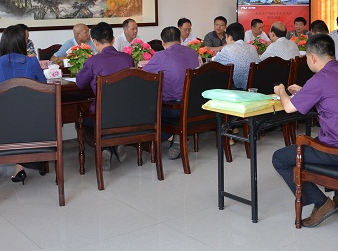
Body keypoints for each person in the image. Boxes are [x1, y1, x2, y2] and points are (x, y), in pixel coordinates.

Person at [272, 34, 338, 228]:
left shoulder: (320, 79)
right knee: (320, 138)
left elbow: (289, 107)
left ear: (312, 57)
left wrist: (281, 91)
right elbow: (334, 97)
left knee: (280, 158)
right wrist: (305, 92)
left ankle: (321, 202)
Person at [0, 25, 48, 184]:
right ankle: (29, 162)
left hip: (2, 122)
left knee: (15, 121)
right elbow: (44, 86)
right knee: (25, 118)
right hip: (31, 119)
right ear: (22, 42)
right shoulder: (32, 62)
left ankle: (20, 166)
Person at [76, 22, 135, 171]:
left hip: (102, 116)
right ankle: (114, 144)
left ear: (95, 41)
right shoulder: (128, 59)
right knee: (113, 115)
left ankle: (105, 148)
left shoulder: (93, 61)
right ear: (113, 39)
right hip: (126, 113)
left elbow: (80, 83)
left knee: (82, 118)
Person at [143, 26, 201, 159]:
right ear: (180, 39)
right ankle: (177, 136)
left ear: (162, 42)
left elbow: (144, 76)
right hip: (193, 106)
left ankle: (172, 136)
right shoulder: (192, 53)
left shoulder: (161, 56)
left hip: (174, 108)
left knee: (145, 108)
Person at [213, 22, 259, 89]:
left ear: (230, 37)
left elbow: (214, 65)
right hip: (255, 86)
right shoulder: (252, 47)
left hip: (238, 88)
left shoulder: (228, 48)